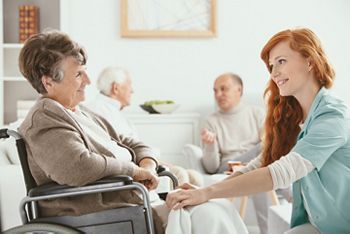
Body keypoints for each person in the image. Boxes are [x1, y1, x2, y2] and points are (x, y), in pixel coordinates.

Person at [18, 30, 247, 234]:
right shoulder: (44, 119)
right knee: (210, 214)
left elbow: (132, 143)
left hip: (133, 203)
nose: (88, 80)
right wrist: (134, 171)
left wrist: (147, 164)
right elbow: (79, 167)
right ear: (48, 82)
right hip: (104, 213)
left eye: (85, 72)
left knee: (218, 207)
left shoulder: (79, 112)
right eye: (78, 74)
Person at [166, 28, 350, 234]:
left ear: (309, 61)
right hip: (320, 225)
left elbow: (279, 173)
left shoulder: (333, 116)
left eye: (281, 61)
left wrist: (208, 192)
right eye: (271, 66)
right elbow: (263, 163)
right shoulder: (297, 119)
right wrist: (202, 192)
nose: (274, 73)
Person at [87, 66, 204, 187]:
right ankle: (174, 205)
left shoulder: (113, 111)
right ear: (116, 88)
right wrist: (152, 165)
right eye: (129, 85)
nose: (132, 90)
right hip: (129, 170)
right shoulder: (100, 112)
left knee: (195, 177)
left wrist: (155, 162)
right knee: (180, 174)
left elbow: (135, 147)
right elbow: (121, 151)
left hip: (142, 163)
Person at [201, 73, 265, 174]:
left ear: (239, 90)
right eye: (215, 90)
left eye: (223, 89)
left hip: (254, 163)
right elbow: (211, 169)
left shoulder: (258, 114)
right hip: (227, 167)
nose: (218, 95)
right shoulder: (210, 121)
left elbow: (268, 147)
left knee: (269, 144)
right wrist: (210, 145)